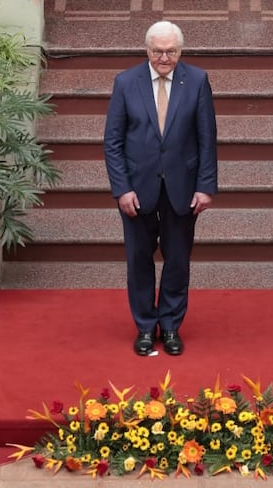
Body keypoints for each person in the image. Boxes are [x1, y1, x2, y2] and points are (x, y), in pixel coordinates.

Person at [103, 20, 218, 356]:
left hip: (182, 189)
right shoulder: (126, 82)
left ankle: (169, 326)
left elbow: (206, 138)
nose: (164, 58)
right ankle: (143, 327)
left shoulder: (197, 80)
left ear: (180, 51)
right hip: (137, 190)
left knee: (178, 261)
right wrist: (121, 189)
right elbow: (112, 141)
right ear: (147, 50)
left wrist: (205, 187)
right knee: (138, 260)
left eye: (170, 51)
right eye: (158, 51)